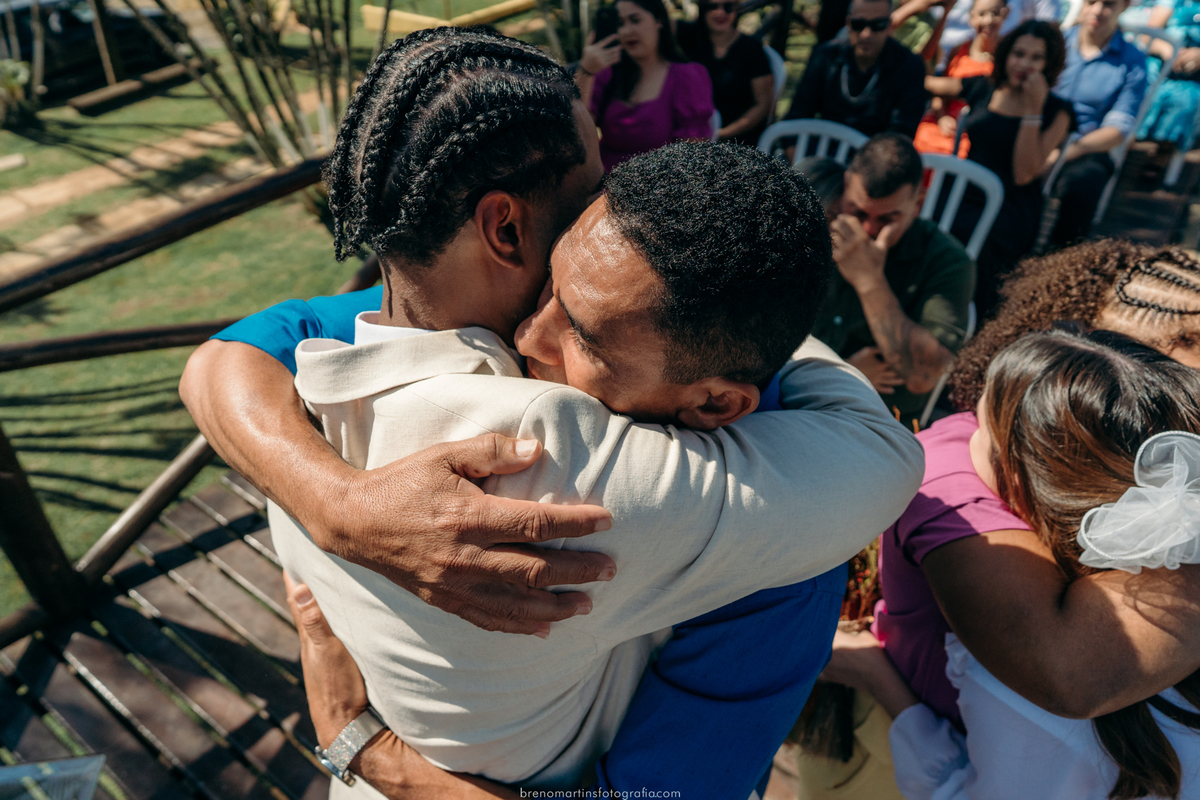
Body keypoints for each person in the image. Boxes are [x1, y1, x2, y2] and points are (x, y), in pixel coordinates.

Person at [180, 27, 925, 799]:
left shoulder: (317, 374)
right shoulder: (584, 464)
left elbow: (219, 358)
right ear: (505, 226)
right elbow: (884, 460)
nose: (614, 199)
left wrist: (366, 745)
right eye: (594, 177)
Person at [828, 327, 1200, 800]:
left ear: (1023, 482)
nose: (963, 439)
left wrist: (876, 676)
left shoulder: (1022, 669)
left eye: (982, 432)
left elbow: (958, 792)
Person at [808, 133, 975, 426]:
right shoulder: (819, 214)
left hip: (877, 420)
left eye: (887, 219)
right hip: (800, 395)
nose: (869, 230)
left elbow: (922, 376)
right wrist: (844, 373)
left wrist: (869, 280)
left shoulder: (948, 261)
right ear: (847, 185)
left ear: (918, 204)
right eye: (858, 212)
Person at [926, 21, 1074, 318]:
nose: (1025, 64)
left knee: (981, 244)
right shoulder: (984, 85)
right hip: (964, 188)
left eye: (1036, 58)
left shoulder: (1058, 111)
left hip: (1010, 203)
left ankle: (967, 318)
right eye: (1019, 54)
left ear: (1049, 64)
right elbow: (929, 82)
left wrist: (1033, 110)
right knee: (930, 226)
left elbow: (1023, 173)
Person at [1047, 0, 1148, 246]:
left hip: (1086, 145)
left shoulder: (1133, 61)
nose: (1097, 11)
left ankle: (1059, 259)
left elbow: (1117, 130)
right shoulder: (1052, 42)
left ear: (1123, 7)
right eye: (1091, 1)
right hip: (1037, 132)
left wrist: (1067, 153)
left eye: (1108, 4)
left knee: (1084, 185)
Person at [575, 0, 713, 171]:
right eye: (620, 23)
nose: (626, 31)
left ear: (658, 21)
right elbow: (576, 131)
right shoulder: (607, 74)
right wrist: (586, 71)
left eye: (635, 20)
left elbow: (692, 156)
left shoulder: (687, 76)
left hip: (658, 187)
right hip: (603, 183)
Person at [783, 0, 927, 138]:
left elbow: (901, 135)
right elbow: (796, 116)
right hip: (821, 151)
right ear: (848, 24)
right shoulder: (826, 56)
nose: (866, 34)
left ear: (889, 25)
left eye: (878, 24)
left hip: (875, 157)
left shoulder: (909, 65)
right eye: (859, 24)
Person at [912, 0, 1007, 157]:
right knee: (919, 141)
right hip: (942, 123)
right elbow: (939, 92)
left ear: (1005, 14)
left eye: (995, 14)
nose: (988, 20)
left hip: (973, 130)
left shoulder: (1005, 58)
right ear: (971, 17)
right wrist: (942, 117)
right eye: (982, 14)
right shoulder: (959, 50)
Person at [675, 1, 775, 145]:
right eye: (712, 7)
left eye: (728, 7)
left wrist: (721, 134)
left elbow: (763, 105)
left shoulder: (752, 49)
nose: (720, 12)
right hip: (690, 139)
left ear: (736, 10)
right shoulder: (689, 40)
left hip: (737, 143)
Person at [1136, 0, 1200, 156]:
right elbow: (1147, 36)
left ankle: (1161, 161)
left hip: (1192, 82)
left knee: (1186, 101)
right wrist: (1169, 51)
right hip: (1158, 69)